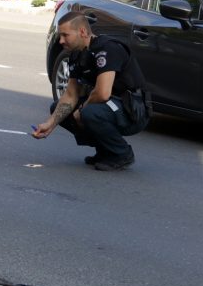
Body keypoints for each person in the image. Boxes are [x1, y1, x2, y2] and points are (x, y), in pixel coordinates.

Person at [32, 12, 150, 171]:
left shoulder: (107, 49)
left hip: (133, 110)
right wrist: (50, 124)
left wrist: (81, 110)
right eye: (60, 36)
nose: (61, 41)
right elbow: (70, 95)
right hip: (110, 106)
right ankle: (105, 150)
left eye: (65, 35)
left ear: (82, 31)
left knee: (89, 112)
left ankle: (122, 153)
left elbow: (102, 93)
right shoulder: (76, 55)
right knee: (58, 109)